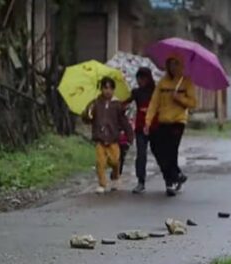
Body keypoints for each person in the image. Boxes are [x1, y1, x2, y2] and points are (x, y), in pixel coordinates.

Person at [145, 56, 197, 196]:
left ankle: (170, 182)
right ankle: (176, 175)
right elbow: (154, 103)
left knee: (171, 151)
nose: (173, 67)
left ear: (181, 66)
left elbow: (193, 103)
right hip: (163, 121)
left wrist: (179, 98)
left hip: (178, 122)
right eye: (170, 64)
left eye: (176, 64)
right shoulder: (162, 83)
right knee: (157, 148)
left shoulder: (186, 82)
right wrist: (148, 121)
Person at [83, 77, 134, 194]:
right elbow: (87, 119)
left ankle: (115, 176)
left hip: (113, 139)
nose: (108, 91)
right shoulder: (95, 103)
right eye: (105, 88)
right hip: (100, 139)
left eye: (110, 88)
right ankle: (102, 184)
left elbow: (123, 121)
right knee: (100, 162)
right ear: (101, 89)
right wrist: (87, 113)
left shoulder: (117, 105)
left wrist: (129, 134)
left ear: (114, 90)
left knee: (115, 161)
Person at [124, 67, 158, 194]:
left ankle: (169, 179)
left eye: (143, 78)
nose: (140, 81)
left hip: (155, 127)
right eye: (138, 78)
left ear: (148, 78)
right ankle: (141, 181)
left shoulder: (155, 92)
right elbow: (126, 102)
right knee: (141, 154)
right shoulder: (136, 92)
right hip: (140, 127)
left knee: (160, 154)